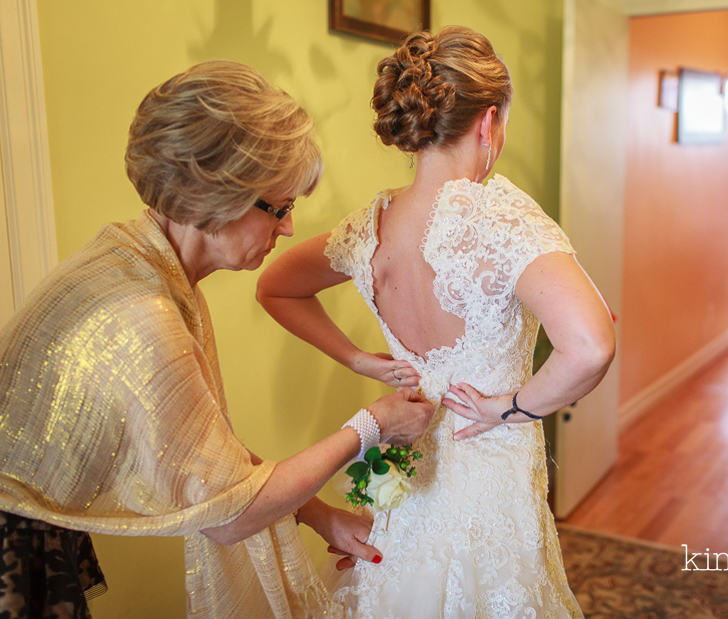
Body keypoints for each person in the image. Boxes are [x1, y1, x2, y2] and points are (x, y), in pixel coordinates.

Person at [0, 60, 435, 618]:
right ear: (213, 198)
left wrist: (321, 515)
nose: (289, 228)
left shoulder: (139, 257)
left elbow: (208, 461)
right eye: (279, 208)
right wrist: (369, 427)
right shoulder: (143, 315)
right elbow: (229, 514)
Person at [257, 26, 615, 617]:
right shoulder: (500, 214)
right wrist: (513, 406)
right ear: (489, 122)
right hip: (491, 474)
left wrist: (358, 358)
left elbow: (276, 287)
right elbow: (592, 345)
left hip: (406, 460)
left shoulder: (370, 226)